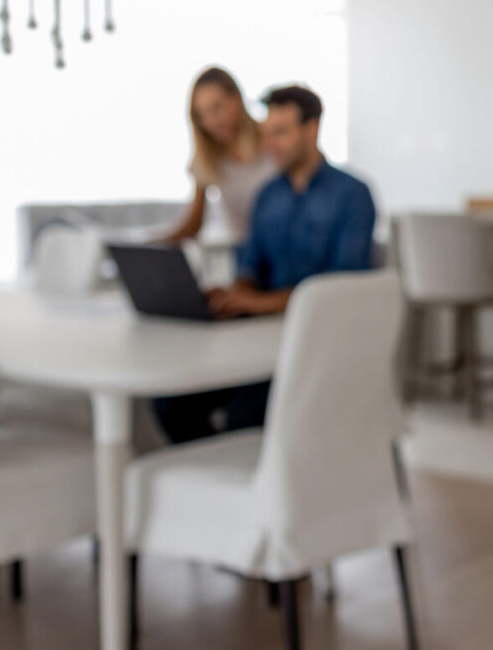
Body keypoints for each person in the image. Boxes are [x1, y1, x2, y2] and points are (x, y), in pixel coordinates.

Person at [153, 84, 377, 442]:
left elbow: (341, 289)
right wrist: (235, 294)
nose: (271, 143)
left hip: (316, 342)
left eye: (281, 133)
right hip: (261, 336)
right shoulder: (268, 196)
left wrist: (259, 302)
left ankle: (249, 467)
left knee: (244, 413)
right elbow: (251, 265)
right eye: (268, 133)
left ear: (312, 129)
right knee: (169, 403)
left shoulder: (352, 194)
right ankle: (218, 467)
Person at [157, 66, 274, 244]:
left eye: (217, 108)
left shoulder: (272, 139)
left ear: (236, 98)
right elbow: (193, 224)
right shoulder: (207, 158)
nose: (212, 121)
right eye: (202, 115)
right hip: (243, 254)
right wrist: (147, 245)